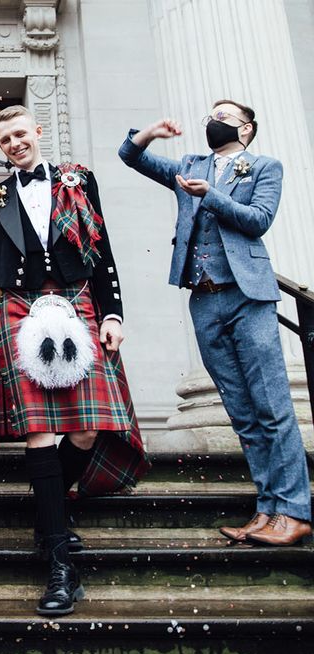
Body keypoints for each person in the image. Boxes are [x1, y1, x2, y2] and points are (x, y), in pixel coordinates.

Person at [0, 105, 148, 617]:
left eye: (20, 134)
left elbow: (103, 250)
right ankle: (58, 559)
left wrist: (113, 313)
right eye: (5, 140)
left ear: (37, 132)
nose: (15, 144)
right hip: (17, 307)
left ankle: (47, 510)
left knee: (87, 430)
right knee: (39, 433)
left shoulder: (79, 179)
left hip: (80, 301)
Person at [118, 99, 312, 546]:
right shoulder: (189, 164)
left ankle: (295, 512)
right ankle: (267, 510)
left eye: (224, 117)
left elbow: (259, 220)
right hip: (203, 300)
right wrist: (148, 132)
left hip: (249, 296)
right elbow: (131, 157)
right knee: (242, 413)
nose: (214, 121)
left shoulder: (265, 166)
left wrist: (213, 195)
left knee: (273, 407)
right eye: (211, 115)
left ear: (246, 129)